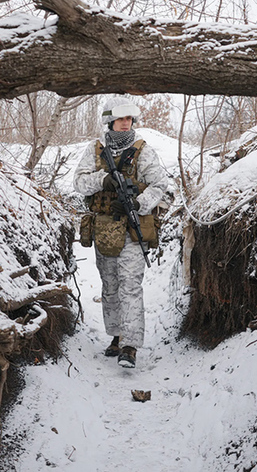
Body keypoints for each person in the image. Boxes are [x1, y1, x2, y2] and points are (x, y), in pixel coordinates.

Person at [73, 97, 169, 368]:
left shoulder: (143, 151)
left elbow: (159, 185)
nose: (126, 124)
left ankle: (130, 345)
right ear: (110, 121)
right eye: (121, 119)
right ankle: (115, 336)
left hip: (130, 228)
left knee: (130, 287)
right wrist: (102, 180)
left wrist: (139, 203)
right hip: (104, 229)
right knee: (110, 286)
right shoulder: (95, 150)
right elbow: (79, 182)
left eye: (129, 119)